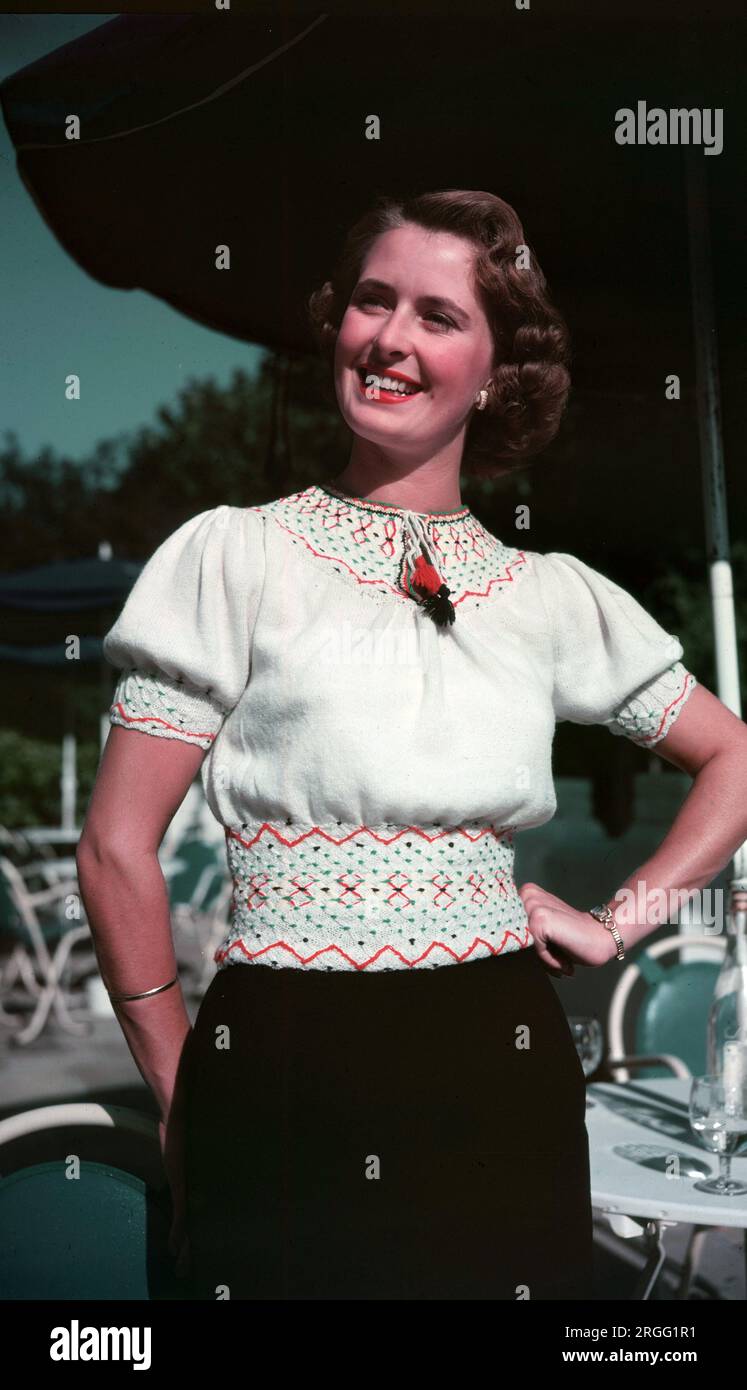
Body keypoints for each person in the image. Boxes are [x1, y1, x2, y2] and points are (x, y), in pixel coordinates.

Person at [77, 189, 747, 1301]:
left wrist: (616, 924)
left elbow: (734, 757)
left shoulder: (551, 596)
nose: (390, 336)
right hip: (280, 1062)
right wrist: (185, 1088)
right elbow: (113, 849)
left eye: (438, 316)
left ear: (497, 371)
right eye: (372, 301)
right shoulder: (233, 558)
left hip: (502, 1064)